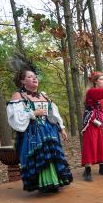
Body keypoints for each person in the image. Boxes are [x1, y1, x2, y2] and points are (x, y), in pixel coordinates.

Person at [7, 59, 73, 193]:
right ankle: (44, 183)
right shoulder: (18, 95)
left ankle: (55, 181)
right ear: (22, 81)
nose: (34, 79)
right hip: (33, 132)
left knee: (52, 155)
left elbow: (54, 112)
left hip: (50, 130)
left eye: (35, 76)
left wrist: (62, 127)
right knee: (40, 155)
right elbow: (15, 116)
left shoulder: (44, 95)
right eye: (30, 77)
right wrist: (33, 113)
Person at [82, 71, 103, 181]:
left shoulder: (100, 93)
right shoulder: (92, 91)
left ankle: (102, 167)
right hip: (92, 120)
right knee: (91, 143)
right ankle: (87, 170)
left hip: (102, 119)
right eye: (101, 79)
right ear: (95, 81)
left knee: (102, 142)